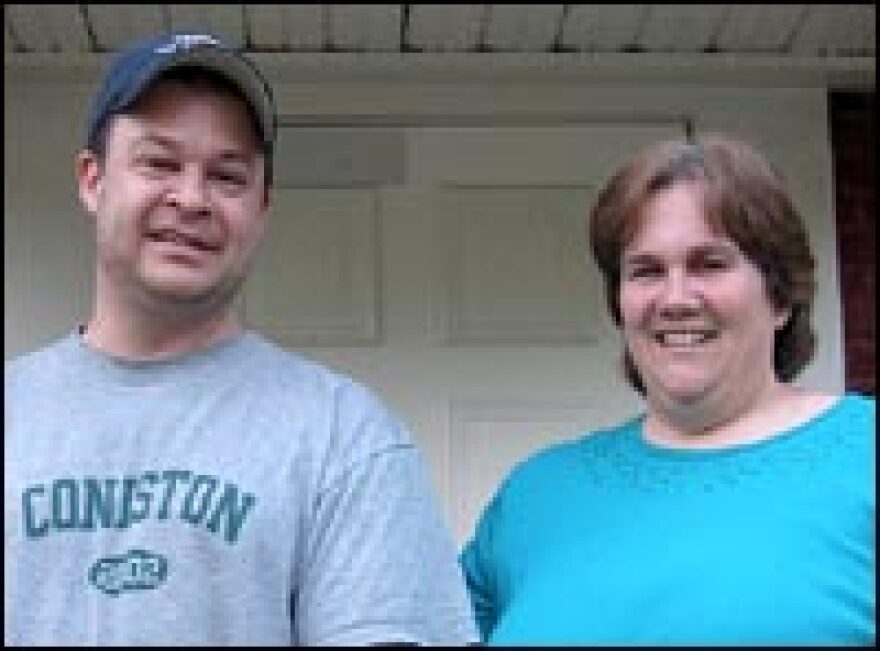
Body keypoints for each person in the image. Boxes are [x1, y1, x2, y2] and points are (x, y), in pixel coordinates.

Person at [4, 32, 478, 646]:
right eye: (159, 163)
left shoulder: (344, 437)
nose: (192, 199)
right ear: (92, 181)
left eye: (228, 176)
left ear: (262, 207)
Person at [459, 135, 875, 645]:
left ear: (781, 296)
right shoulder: (536, 494)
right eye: (647, 271)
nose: (675, 299)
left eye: (709, 264)